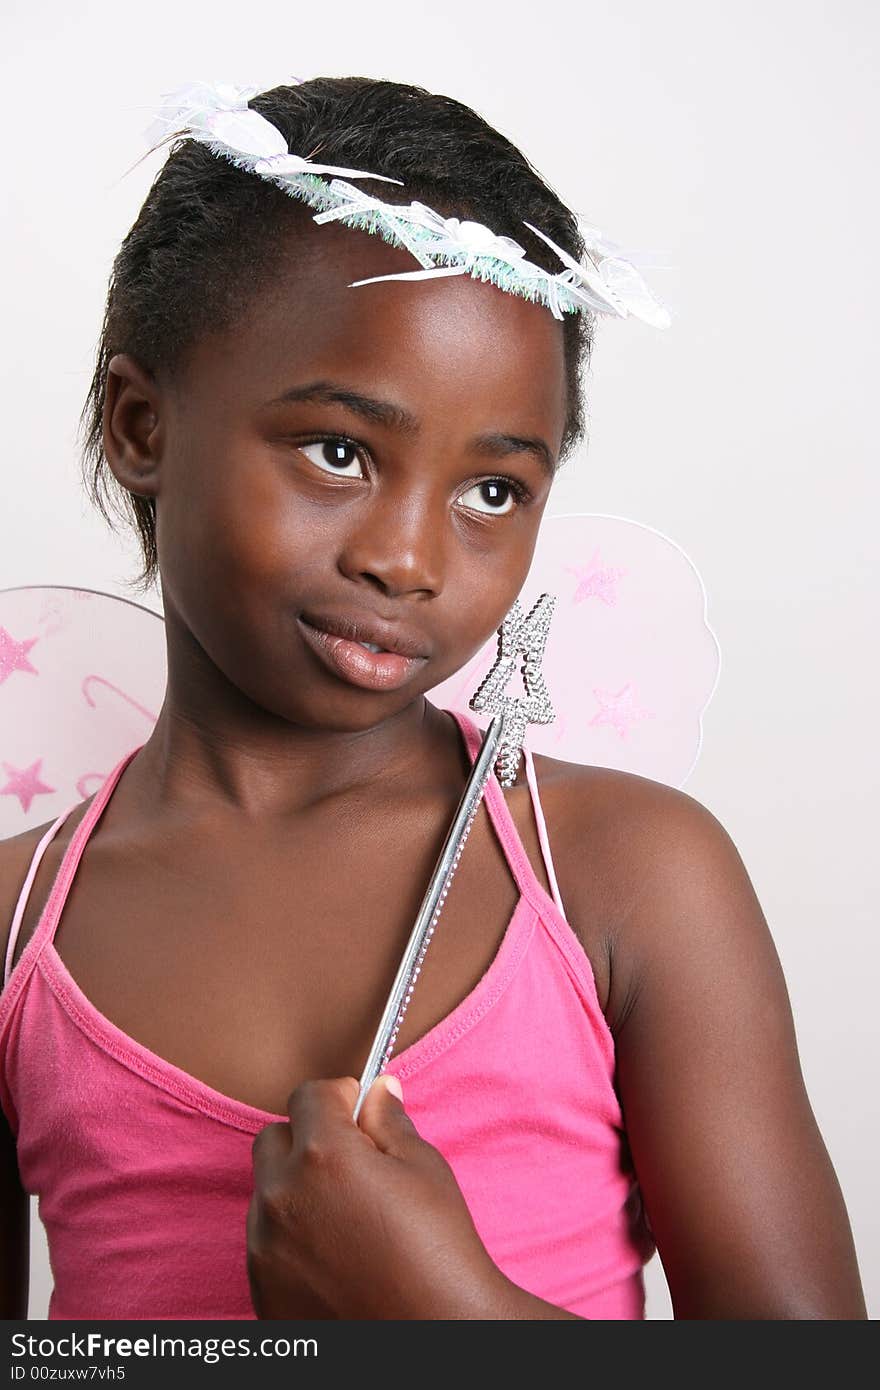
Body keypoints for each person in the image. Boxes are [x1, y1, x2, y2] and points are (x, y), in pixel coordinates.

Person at [0, 75, 866, 1321]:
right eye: (339, 452)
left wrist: (455, 1318)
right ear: (142, 425)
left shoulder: (622, 878)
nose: (407, 559)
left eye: (492, 492)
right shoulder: (25, 932)